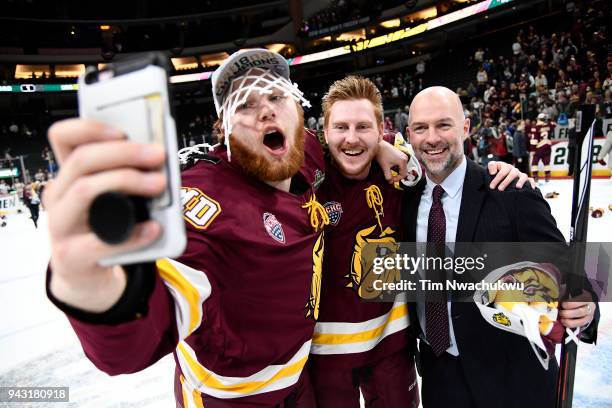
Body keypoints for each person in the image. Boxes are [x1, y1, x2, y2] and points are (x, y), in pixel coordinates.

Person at [44, 48, 331, 407]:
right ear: (225, 131)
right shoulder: (208, 204)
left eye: (276, 96)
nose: (266, 109)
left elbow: (330, 148)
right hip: (230, 399)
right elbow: (138, 341)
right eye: (244, 105)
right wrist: (98, 291)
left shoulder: (301, 150)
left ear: (299, 113)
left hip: (301, 383)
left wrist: (384, 149)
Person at [308, 77, 531, 407]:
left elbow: (449, 166)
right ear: (324, 134)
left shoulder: (403, 176)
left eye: (363, 127)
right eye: (341, 127)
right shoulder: (302, 179)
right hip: (326, 353)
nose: (352, 138)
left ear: (381, 130)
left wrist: (509, 177)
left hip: (393, 345)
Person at [402, 86, 599, 408]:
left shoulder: (511, 192)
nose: (432, 138)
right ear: (410, 134)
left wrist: (586, 306)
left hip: (515, 382)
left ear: (466, 128)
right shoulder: (405, 200)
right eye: (421, 128)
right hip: (440, 380)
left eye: (444, 125)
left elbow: (565, 266)